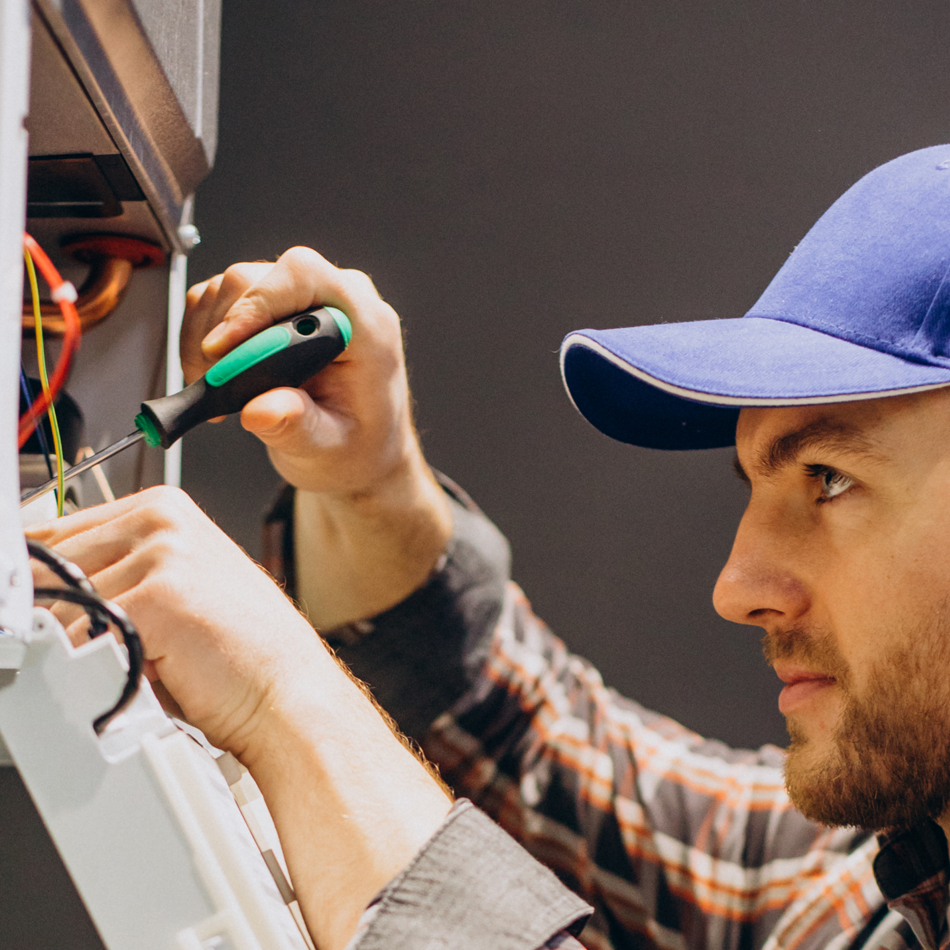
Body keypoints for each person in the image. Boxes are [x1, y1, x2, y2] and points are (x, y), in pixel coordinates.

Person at [31, 143, 950, 950]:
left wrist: (285, 695)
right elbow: (542, 761)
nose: (738, 586)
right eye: (757, 485)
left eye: (830, 477)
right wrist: (369, 487)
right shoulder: (870, 878)